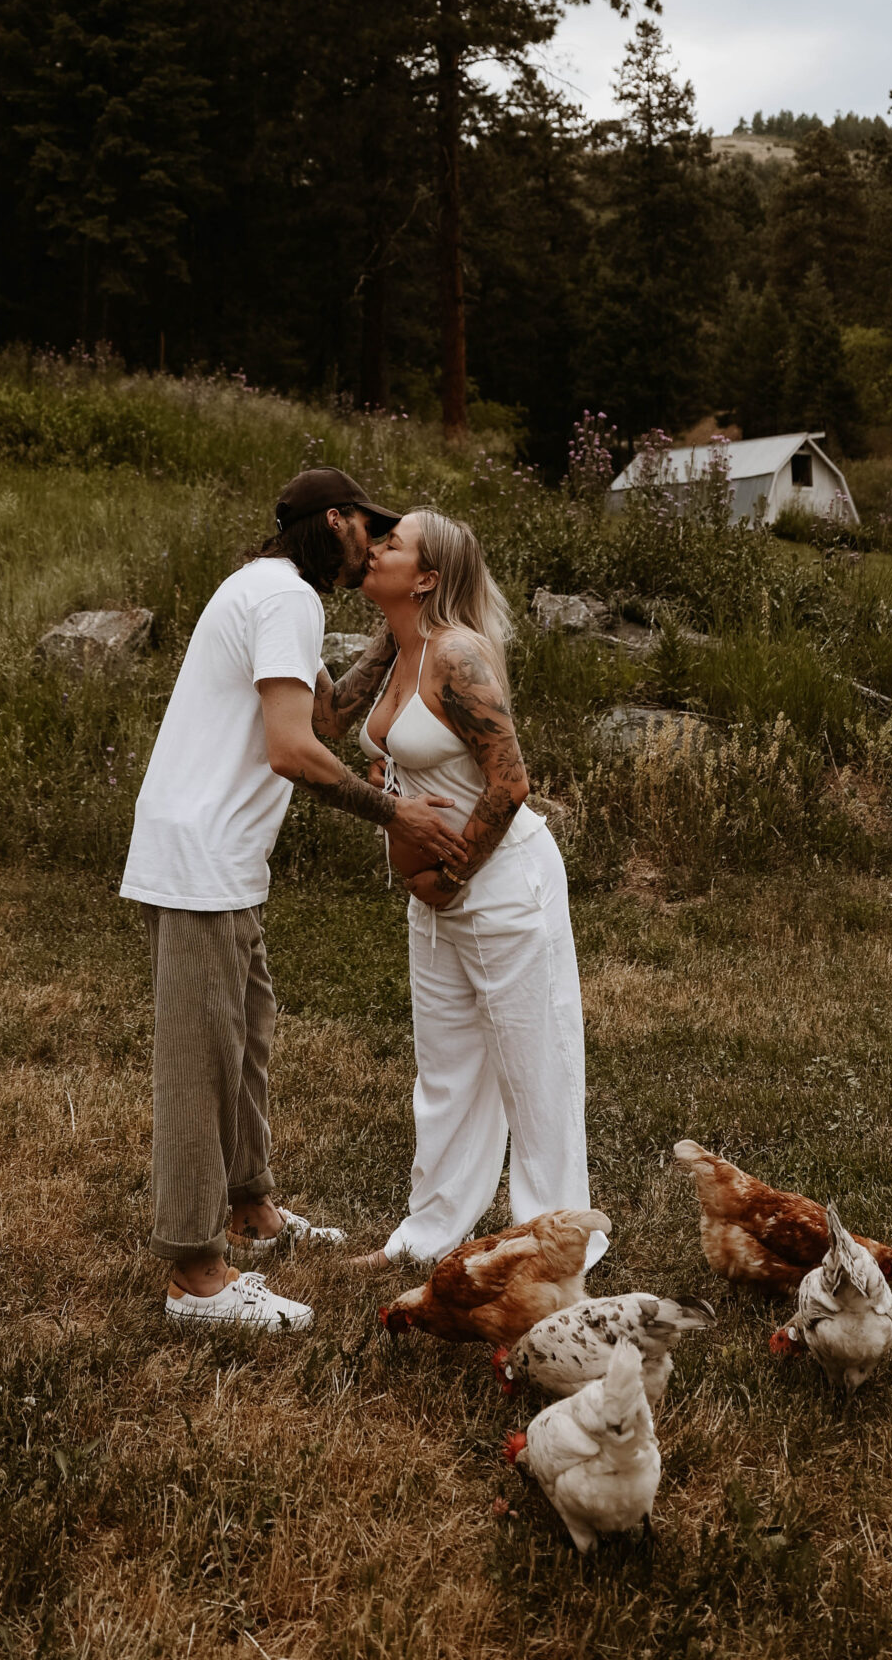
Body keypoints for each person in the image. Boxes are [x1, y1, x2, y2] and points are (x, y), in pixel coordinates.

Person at [120, 466, 469, 1331]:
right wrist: (396, 815)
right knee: (200, 1064)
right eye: (369, 529)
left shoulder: (268, 588)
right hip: (201, 858)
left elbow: (326, 715)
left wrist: (396, 634)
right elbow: (291, 751)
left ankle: (253, 1213)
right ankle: (195, 1278)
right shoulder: (284, 598)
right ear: (337, 521)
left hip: (222, 860)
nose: (373, 546)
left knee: (245, 1039)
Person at [316, 508, 599, 1267]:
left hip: (501, 883)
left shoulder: (456, 655)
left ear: (428, 576)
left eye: (392, 544)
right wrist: (290, 594)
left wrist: (449, 874)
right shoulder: (393, 647)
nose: (374, 550)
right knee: (445, 1073)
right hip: (434, 894)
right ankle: (424, 1238)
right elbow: (327, 719)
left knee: (534, 1067)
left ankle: (551, 1245)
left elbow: (510, 782)